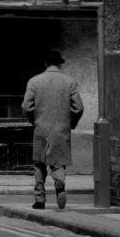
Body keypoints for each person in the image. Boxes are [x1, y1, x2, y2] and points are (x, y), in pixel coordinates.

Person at [21, 48, 83, 209]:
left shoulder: (34, 81)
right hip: (61, 129)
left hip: (41, 128)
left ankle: (39, 200)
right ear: (59, 64)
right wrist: (71, 123)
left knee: (39, 163)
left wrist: (34, 121)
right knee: (59, 163)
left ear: (45, 63)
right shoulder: (70, 82)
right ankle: (60, 183)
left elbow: (27, 107)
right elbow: (79, 108)